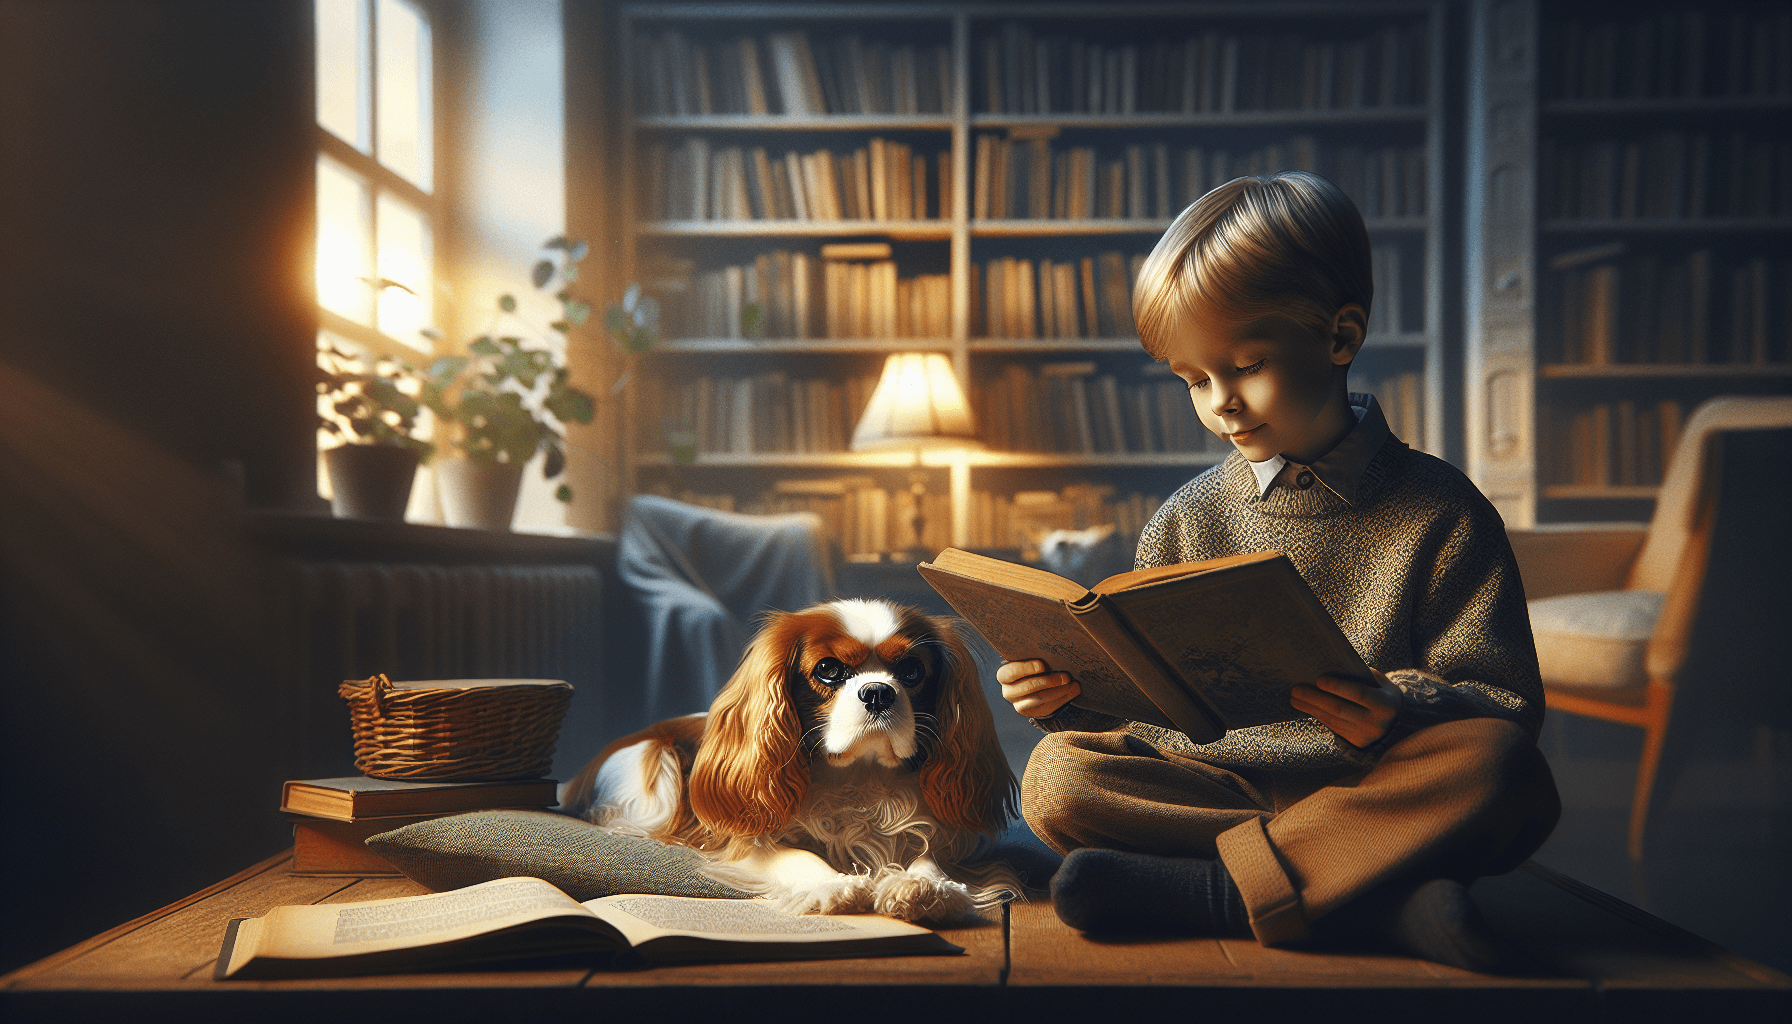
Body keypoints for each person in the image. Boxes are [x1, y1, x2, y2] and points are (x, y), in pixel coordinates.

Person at [996, 170, 1560, 973]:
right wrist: (1071, 699)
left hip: (1380, 791)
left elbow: (1505, 704)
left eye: (1246, 363)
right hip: (1223, 789)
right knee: (1057, 778)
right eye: (1194, 380)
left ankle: (1215, 895)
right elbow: (1154, 720)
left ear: (1339, 337)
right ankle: (1382, 904)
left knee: (1503, 771)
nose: (1221, 401)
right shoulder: (1188, 517)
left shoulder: (1443, 511)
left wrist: (1403, 711)